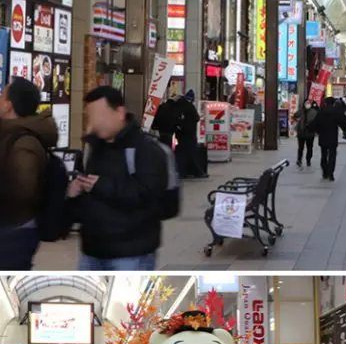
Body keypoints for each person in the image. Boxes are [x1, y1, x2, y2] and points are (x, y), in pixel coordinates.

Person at [67, 87, 169, 271]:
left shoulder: (145, 149)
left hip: (131, 252)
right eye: (91, 117)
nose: (95, 123)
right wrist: (74, 193)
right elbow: (87, 201)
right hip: (91, 251)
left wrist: (101, 186)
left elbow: (148, 195)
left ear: (120, 113)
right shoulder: (92, 148)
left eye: (101, 116)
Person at [0, 78, 59, 270]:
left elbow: (23, 191)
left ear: (9, 106)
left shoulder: (24, 142)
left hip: (14, 230)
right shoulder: (10, 134)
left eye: (2, 95)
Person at [310, 97, 341, 181]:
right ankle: (331, 173)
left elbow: (315, 122)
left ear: (326, 103)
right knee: (332, 155)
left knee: (323, 155)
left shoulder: (321, 111)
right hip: (333, 137)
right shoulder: (336, 111)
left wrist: (317, 131)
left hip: (323, 136)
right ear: (333, 103)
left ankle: (324, 172)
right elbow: (342, 121)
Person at [175, 90, 202, 178]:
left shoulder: (178, 106)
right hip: (189, 134)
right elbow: (196, 118)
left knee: (182, 153)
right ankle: (196, 172)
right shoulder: (189, 106)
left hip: (180, 134)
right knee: (191, 153)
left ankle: (182, 172)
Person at [294, 99, 319, 168]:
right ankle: (299, 160)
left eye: (309, 103)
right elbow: (295, 116)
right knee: (300, 148)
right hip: (301, 132)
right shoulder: (300, 111)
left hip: (310, 133)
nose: (307, 104)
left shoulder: (314, 112)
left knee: (309, 148)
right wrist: (297, 119)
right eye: (306, 103)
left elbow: (317, 121)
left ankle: (308, 160)